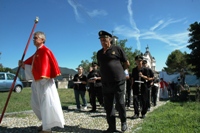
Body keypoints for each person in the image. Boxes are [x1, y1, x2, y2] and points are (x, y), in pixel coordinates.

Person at [19, 31, 65, 133]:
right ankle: (45, 123)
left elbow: (45, 68)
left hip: (45, 83)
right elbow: (31, 64)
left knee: (46, 104)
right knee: (36, 103)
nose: (33, 40)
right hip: (37, 82)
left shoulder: (45, 51)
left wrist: (42, 79)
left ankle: (47, 128)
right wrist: (23, 65)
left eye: (36, 38)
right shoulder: (37, 53)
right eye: (33, 38)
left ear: (42, 39)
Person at [97, 30, 130, 132]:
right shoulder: (99, 53)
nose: (103, 42)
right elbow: (100, 66)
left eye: (105, 39)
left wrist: (120, 72)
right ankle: (112, 127)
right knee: (108, 106)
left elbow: (127, 63)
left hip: (118, 81)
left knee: (120, 103)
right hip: (106, 82)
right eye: (101, 40)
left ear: (110, 39)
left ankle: (123, 122)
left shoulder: (117, 49)